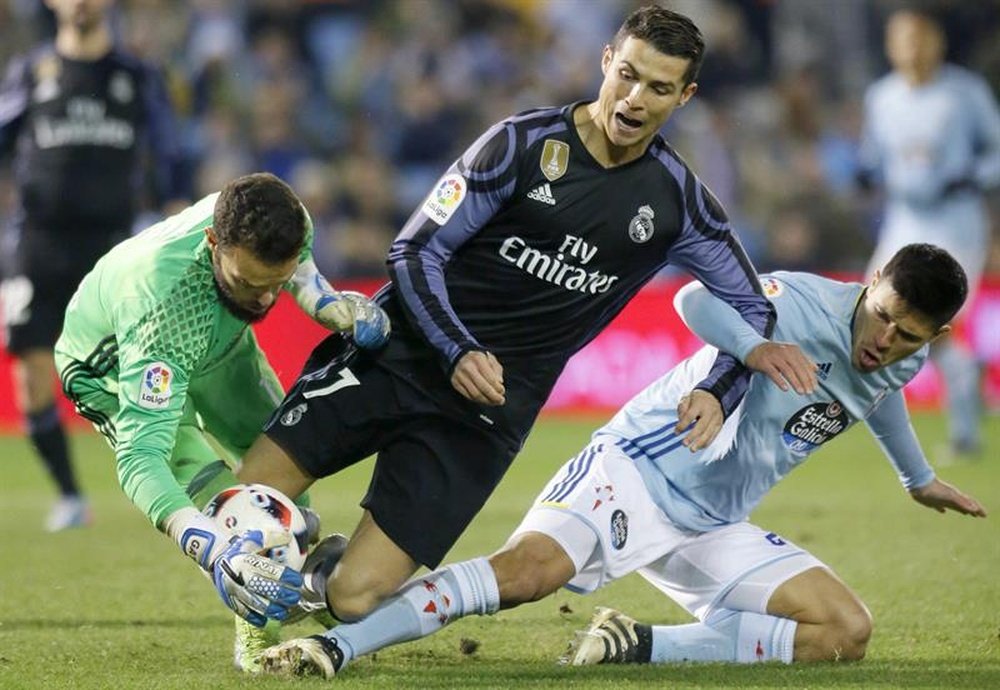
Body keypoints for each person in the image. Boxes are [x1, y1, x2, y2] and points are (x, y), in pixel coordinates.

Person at [234, 3, 819, 666]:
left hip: (484, 415)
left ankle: (323, 574)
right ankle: (254, 615)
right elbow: (416, 251)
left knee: (356, 599)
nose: (634, 98)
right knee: (246, 502)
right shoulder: (521, 145)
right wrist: (456, 348)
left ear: (684, 96)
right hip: (396, 355)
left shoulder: (676, 200)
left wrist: (720, 388)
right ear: (605, 61)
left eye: (658, 88)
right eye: (627, 75)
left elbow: (754, 311)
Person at [258, 243, 987, 677]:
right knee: (527, 575)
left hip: (711, 521)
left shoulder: (894, 357)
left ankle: (636, 644)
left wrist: (916, 479)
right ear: (872, 283)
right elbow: (696, 300)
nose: (884, 339)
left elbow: (877, 393)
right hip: (637, 469)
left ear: (935, 336)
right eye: (884, 315)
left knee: (844, 633)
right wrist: (756, 348)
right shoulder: (796, 302)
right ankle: (340, 646)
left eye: (908, 335)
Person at [53, 172, 390, 669]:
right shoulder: (160, 308)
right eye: (249, 283)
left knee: (288, 479)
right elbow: (141, 459)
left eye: (272, 285)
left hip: (220, 344)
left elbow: (298, 273)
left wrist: (334, 308)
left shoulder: (287, 217)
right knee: (248, 518)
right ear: (213, 242)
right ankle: (258, 647)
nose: (264, 301)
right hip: (117, 369)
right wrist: (210, 548)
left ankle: (293, 585)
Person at [0, 0, 186, 531]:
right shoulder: (32, 73)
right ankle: (70, 495)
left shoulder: (136, 76)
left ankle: (169, 479)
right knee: (32, 376)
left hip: (111, 246)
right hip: (36, 241)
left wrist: (172, 212)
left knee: (139, 369)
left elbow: (169, 151)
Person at [858, 6, 1000, 460]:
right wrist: (863, 174)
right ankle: (964, 375)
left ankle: (964, 435)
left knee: (937, 323)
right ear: (890, 45)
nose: (911, 48)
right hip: (904, 222)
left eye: (919, 38)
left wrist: (973, 177)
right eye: (902, 39)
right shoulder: (881, 97)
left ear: (936, 42)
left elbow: (997, 152)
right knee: (868, 313)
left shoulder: (965, 93)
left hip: (956, 223)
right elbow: (872, 159)